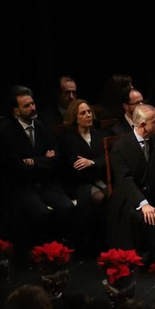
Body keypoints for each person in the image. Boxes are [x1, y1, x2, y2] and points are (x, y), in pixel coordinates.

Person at [0, 86, 73, 242]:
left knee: (67, 207)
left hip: (45, 183)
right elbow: (15, 166)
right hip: (22, 187)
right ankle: (39, 251)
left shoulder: (41, 125)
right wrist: (43, 160)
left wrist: (32, 161)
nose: (32, 108)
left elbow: (55, 158)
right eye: (26, 106)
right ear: (16, 111)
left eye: (33, 103)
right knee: (42, 213)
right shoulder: (4, 132)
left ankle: (59, 246)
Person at [106, 104, 155, 258]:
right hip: (131, 197)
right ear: (143, 125)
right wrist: (143, 204)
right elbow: (125, 179)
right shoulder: (120, 146)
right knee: (149, 219)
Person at [56, 98, 108, 249]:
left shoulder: (100, 135)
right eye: (83, 113)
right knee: (98, 197)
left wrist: (92, 163)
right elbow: (76, 165)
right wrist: (98, 163)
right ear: (75, 117)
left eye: (89, 112)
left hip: (101, 179)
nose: (88, 115)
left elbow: (108, 158)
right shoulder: (67, 139)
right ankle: (93, 242)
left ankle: (108, 239)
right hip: (80, 183)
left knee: (114, 195)